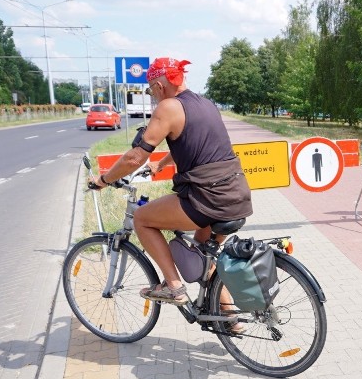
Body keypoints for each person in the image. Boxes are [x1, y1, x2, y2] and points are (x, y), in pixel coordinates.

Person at [90, 57, 252, 305]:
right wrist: (162, 164)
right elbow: (194, 145)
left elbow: (135, 157)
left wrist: (104, 179)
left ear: (158, 84)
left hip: (207, 199)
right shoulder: (206, 104)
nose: (151, 95)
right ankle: (231, 318)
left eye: (150, 90)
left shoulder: (168, 108)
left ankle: (173, 286)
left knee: (142, 218)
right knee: (201, 254)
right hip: (236, 195)